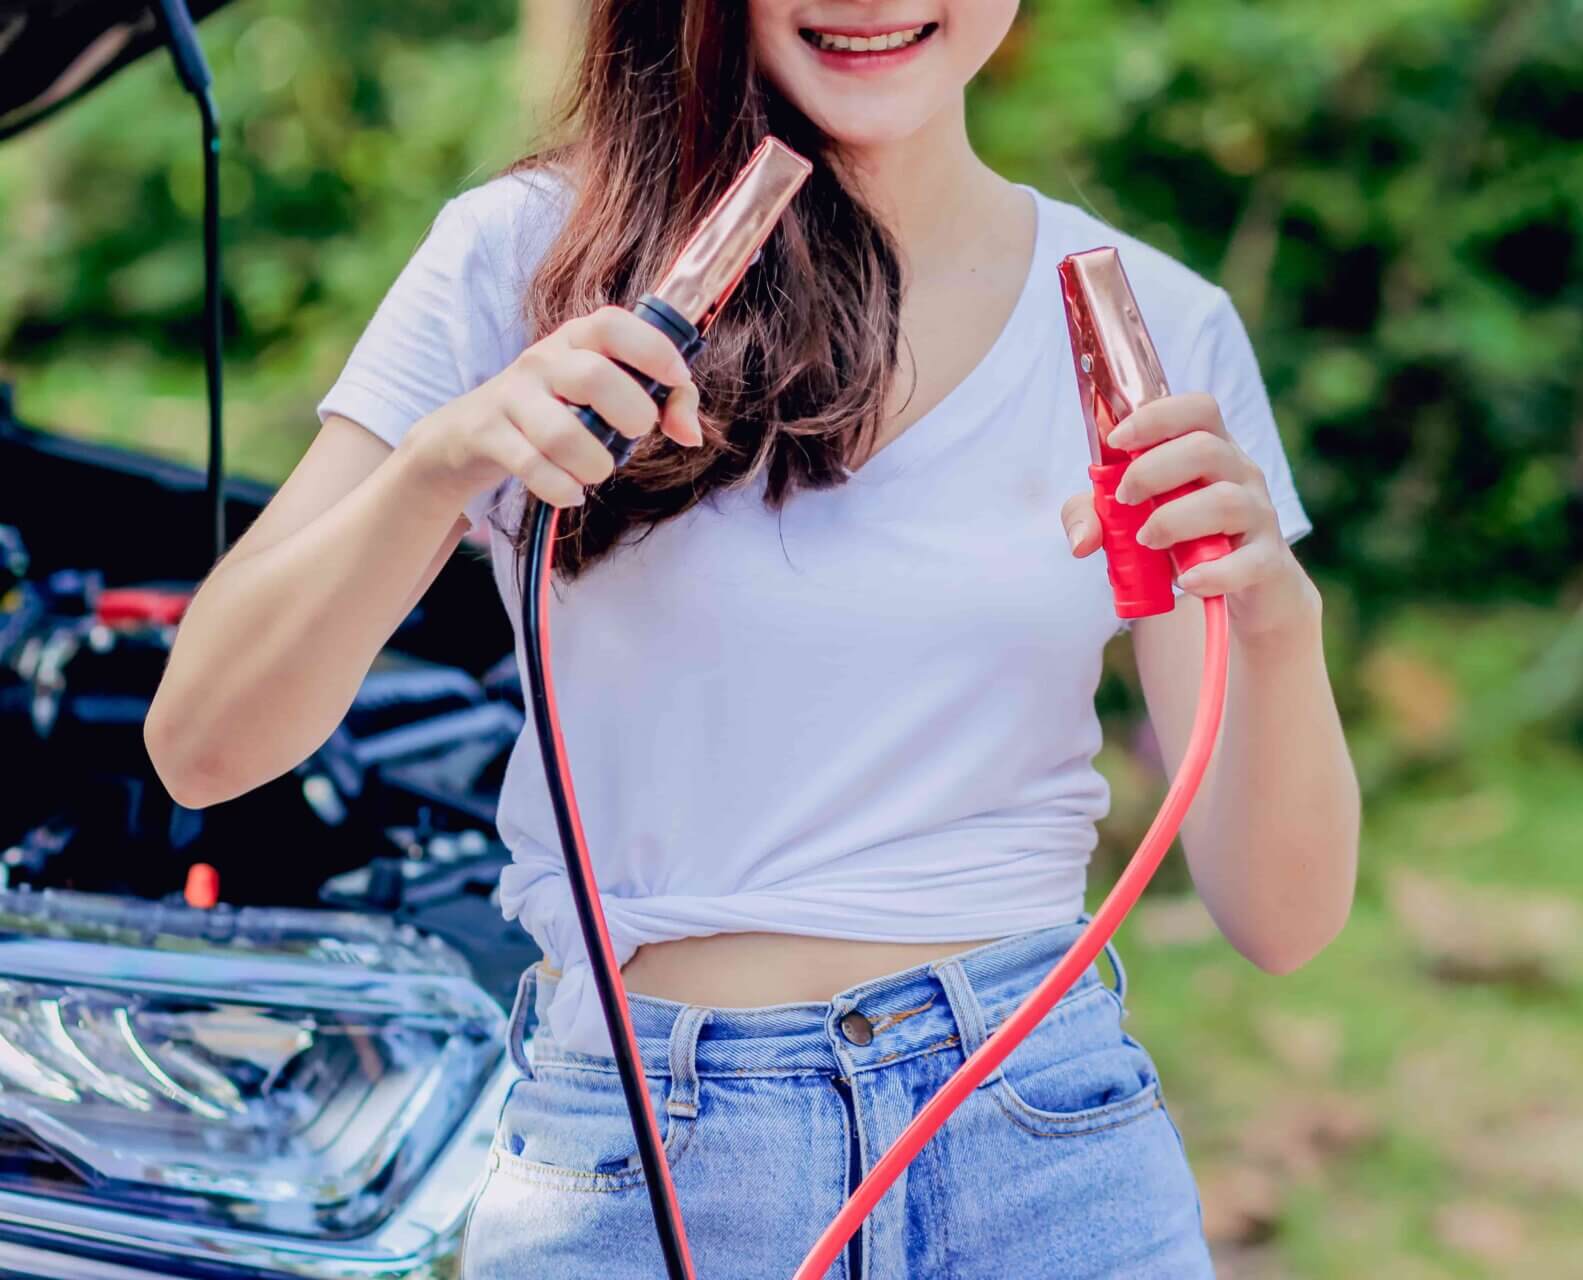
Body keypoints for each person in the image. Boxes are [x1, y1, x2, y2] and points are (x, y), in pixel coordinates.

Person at [145, 1, 1361, 1275]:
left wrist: (1275, 617)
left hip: (1041, 1138)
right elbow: (202, 745)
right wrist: (435, 467)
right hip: (644, 1152)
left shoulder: (1151, 324)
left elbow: (1285, 920)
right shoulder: (523, 259)